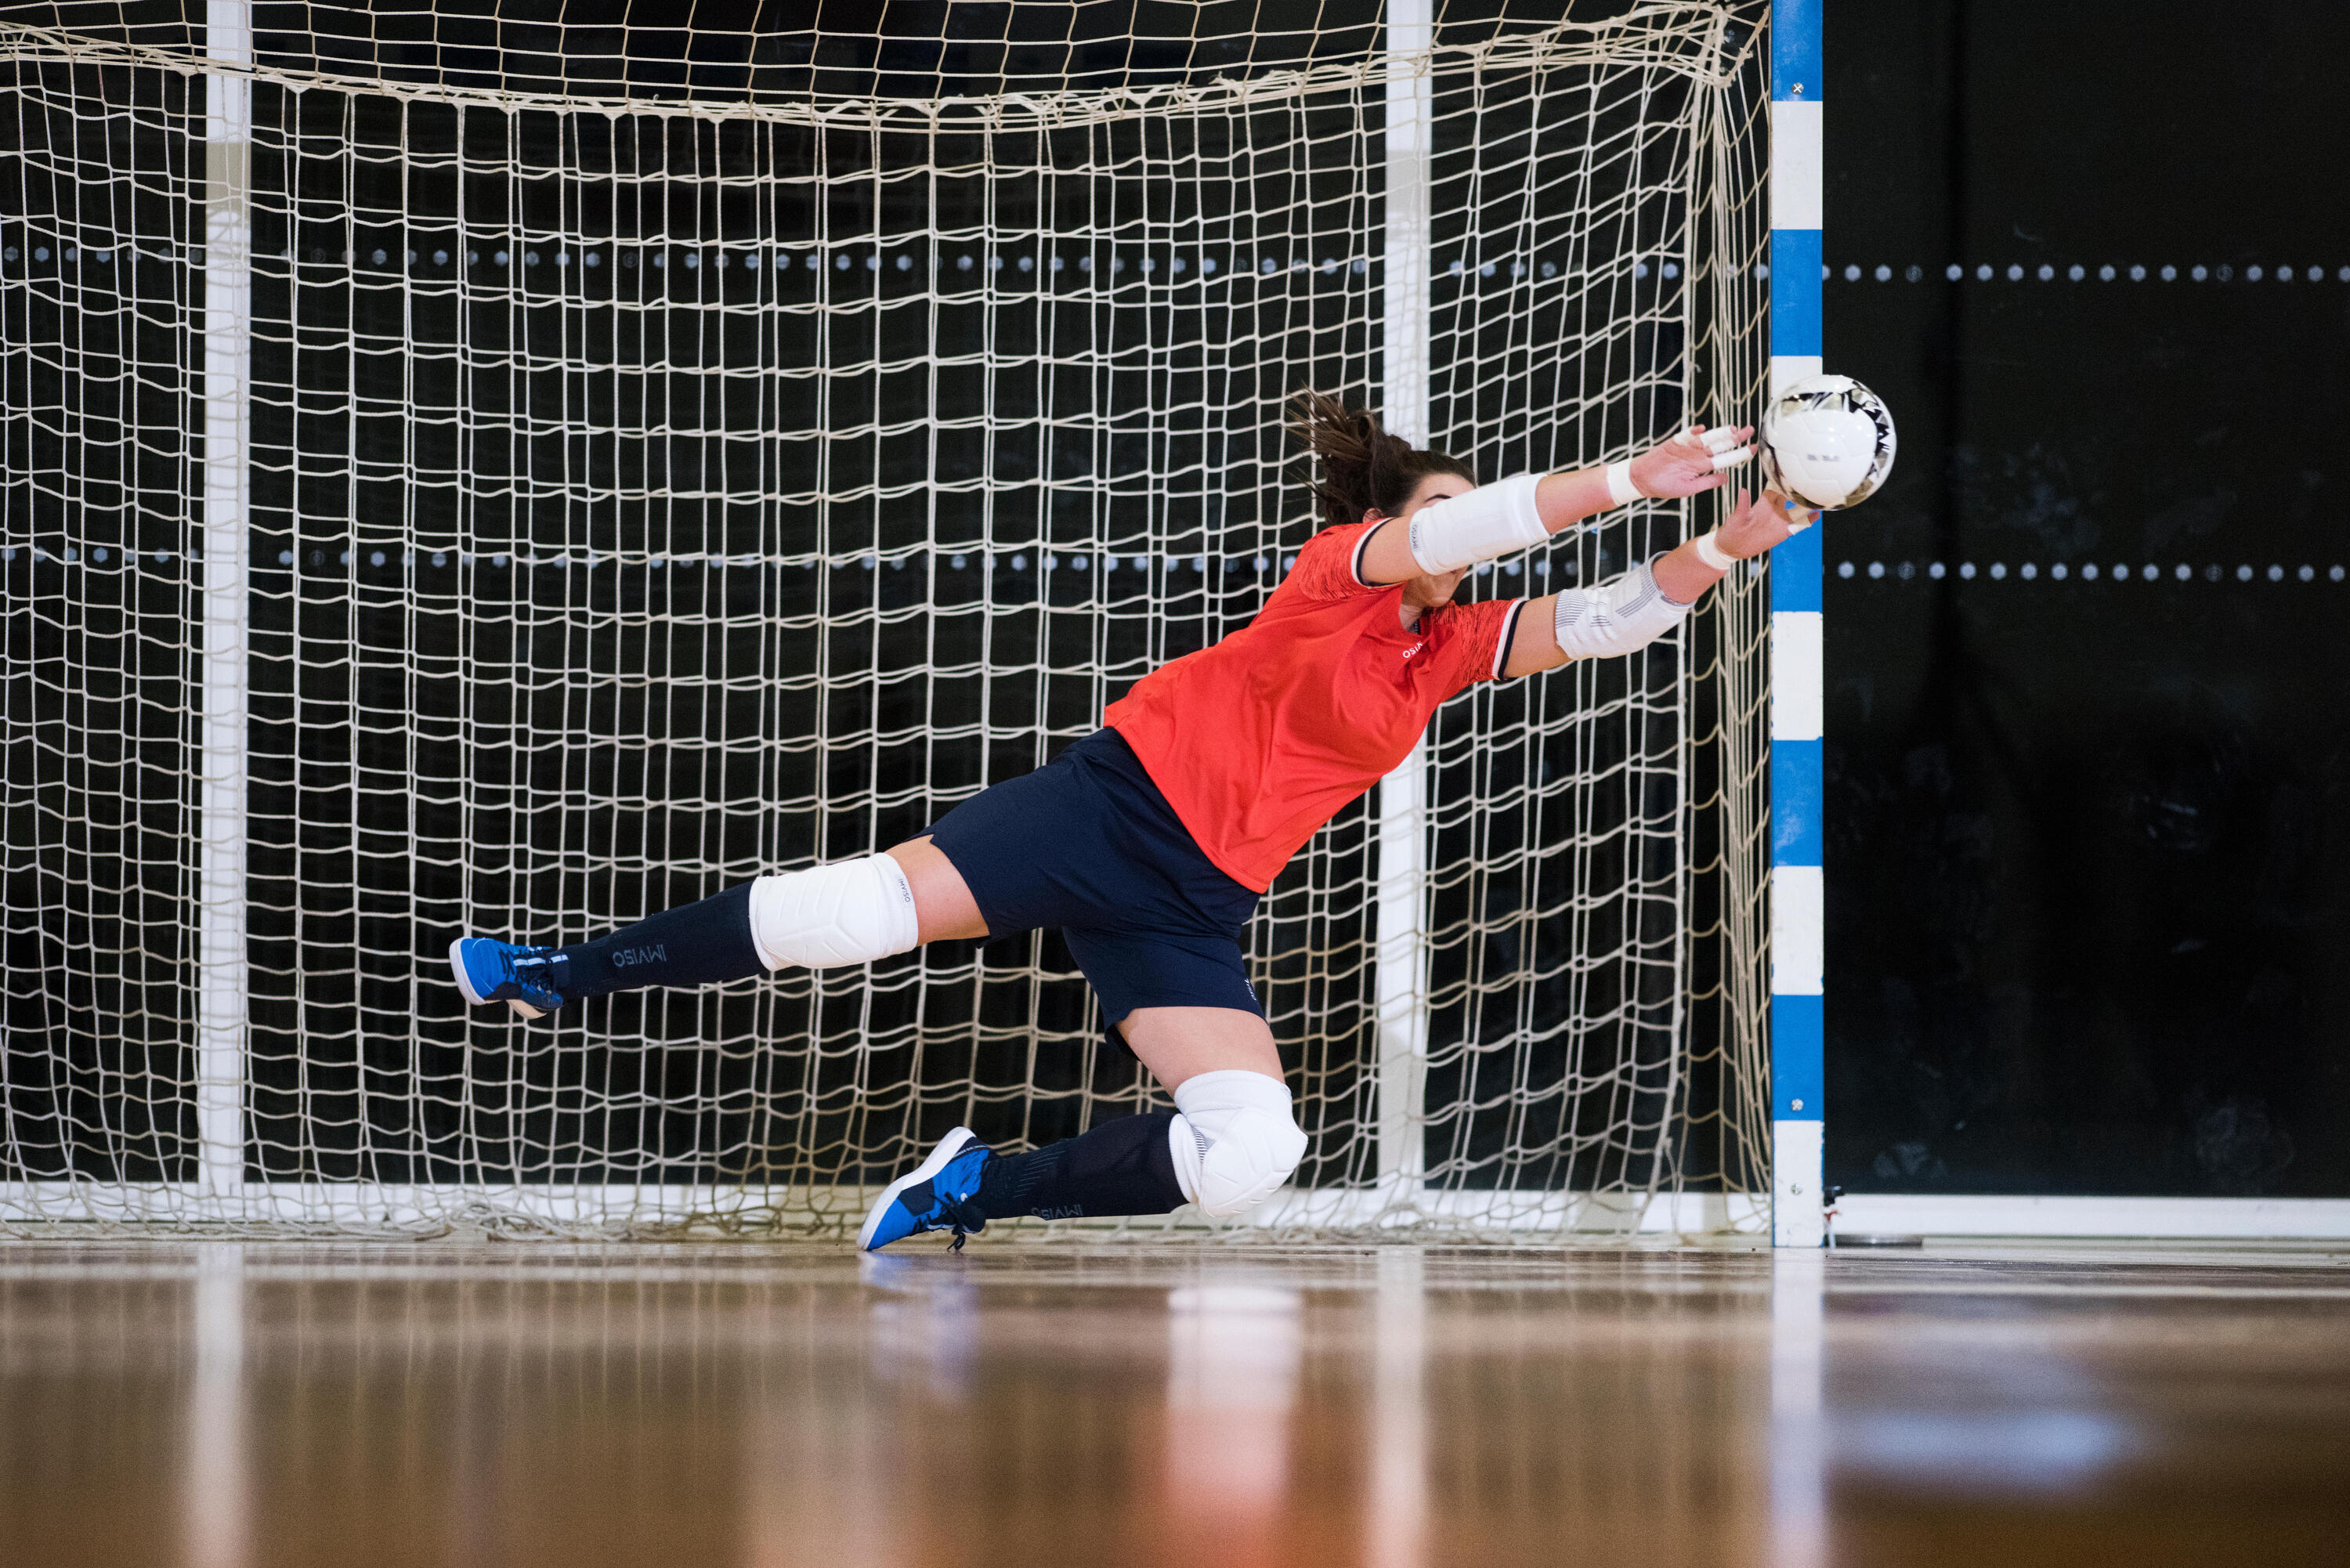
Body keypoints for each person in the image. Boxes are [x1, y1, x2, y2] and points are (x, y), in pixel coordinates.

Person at [448, 391, 1814, 1249]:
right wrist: (1637, 476)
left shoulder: (1444, 650)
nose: (1459, 544)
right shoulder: (1336, 576)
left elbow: (1600, 618)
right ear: (1393, 524)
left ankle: (976, 1188)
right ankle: (557, 974)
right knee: (845, 917)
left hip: (1192, 904)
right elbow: (1483, 532)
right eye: (1441, 519)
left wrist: (1730, 542)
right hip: (1109, 809)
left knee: (1253, 1153)